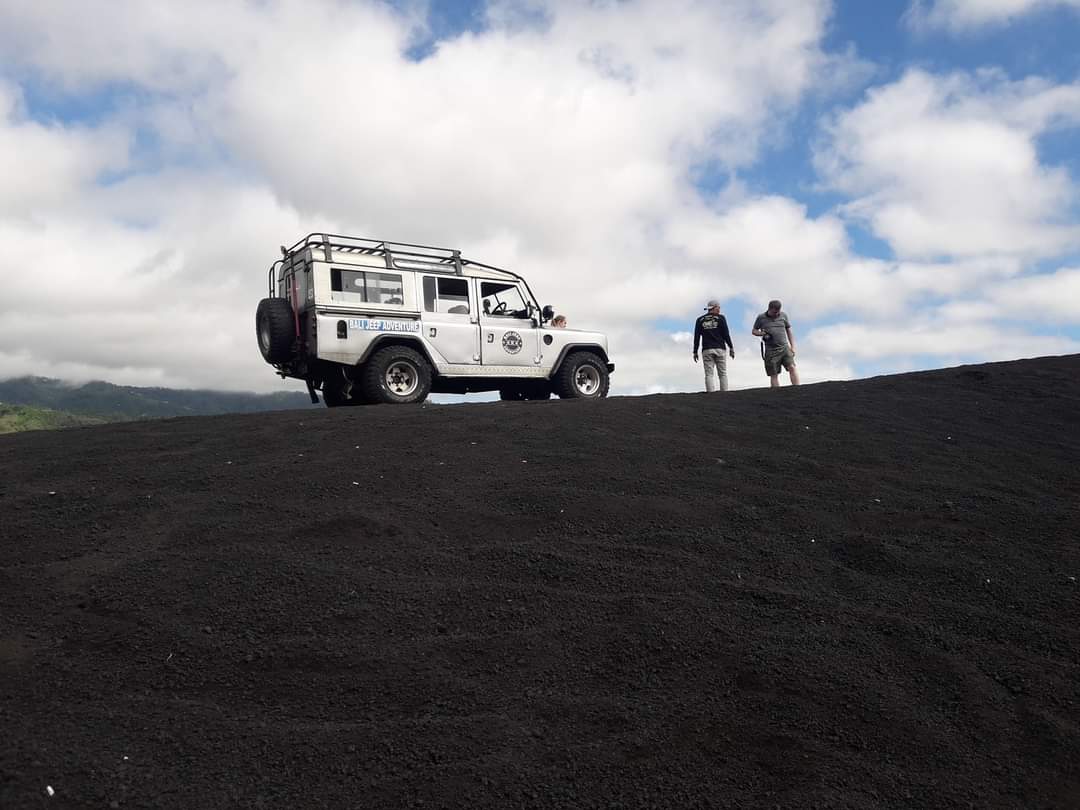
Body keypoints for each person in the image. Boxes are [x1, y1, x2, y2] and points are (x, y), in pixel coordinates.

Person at [752, 299, 799, 387]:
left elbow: (789, 331)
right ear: (769, 309)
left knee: (792, 367)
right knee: (774, 374)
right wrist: (762, 333)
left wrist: (792, 346)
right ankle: (776, 394)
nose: (777, 314)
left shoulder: (783, 315)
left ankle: (797, 388)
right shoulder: (761, 317)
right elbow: (754, 331)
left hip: (784, 347)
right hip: (771, 350)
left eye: (778, 312)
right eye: (775, 312)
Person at [692, 299, 735, 392]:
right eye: (718, 308)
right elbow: (726, 334)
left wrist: (695, 351)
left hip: (707, 349)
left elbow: (697, 337)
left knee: (709, 373)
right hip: (720, 348)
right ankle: (724, 393)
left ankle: (710, 393)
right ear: (714, 307)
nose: (719, 310)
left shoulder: (699, 320)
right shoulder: (721, 318)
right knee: (722, 373)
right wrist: (731, 347)